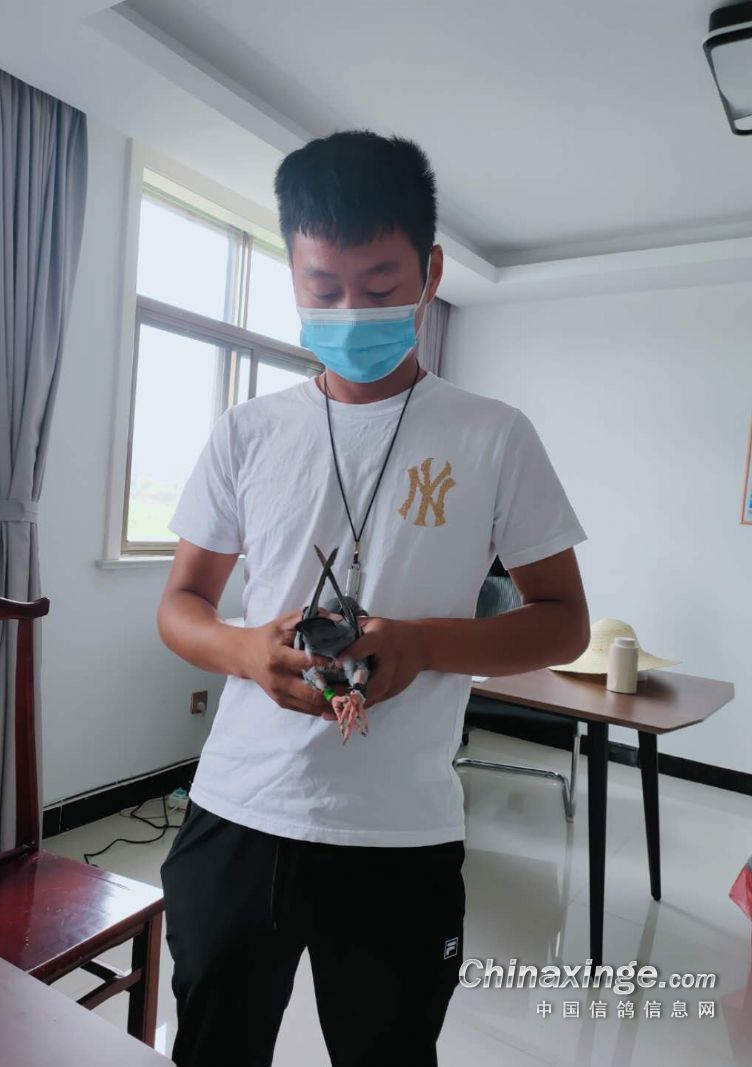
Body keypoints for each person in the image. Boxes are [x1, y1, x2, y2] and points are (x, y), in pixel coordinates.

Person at [156, 129, 591, 1067]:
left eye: (381, 284)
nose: (351, 311)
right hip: (239, 812)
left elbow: (565, 622)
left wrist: (424, 644)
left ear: (430, 273)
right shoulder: (247, 432)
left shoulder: (494, 437)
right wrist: (244, 651)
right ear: (293, 274)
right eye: (323, 288)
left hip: (401, 831)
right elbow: (182, 601)